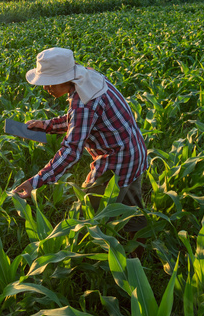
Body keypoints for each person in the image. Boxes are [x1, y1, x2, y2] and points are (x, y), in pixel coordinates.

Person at [13, 47, 149, 236]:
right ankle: (140, 247)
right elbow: (80, 121)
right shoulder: (88, 77)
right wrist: (47, 125)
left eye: (50, 83)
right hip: (134, 151)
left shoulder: (83, 104)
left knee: (92, 214)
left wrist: (35, 182)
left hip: (116, 162)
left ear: (64, 78)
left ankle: (100, 252)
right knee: (132, 209)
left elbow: (71, 151)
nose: (46, 88)